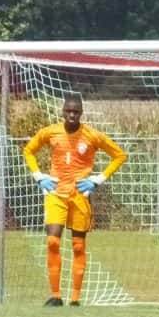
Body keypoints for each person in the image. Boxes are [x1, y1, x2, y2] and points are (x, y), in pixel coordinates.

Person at [22, 93, 127, 306]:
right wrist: (39, 176)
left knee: (78, 246)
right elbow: (29, 150)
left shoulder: (92, 135)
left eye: (76, 111)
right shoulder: (50, 132)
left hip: (80, 195)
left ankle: (75, 299)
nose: (72, 115)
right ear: (63, 112)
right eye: (68, 111)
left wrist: (97, 180)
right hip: (56, 193)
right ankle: (56, 296)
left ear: (81, 113)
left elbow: (119, 155)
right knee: (53, 241)